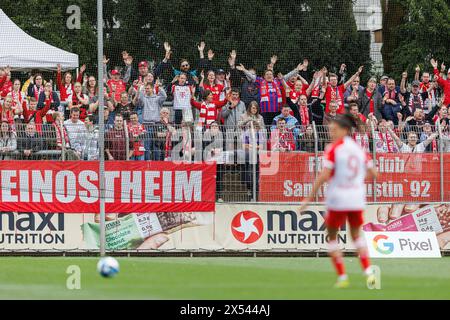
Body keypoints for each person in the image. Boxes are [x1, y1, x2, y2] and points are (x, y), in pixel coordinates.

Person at [299, 113, 378, 288]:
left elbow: (323, 176)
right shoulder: (359, 149)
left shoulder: (334, 149)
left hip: (338, 199)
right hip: (357, 199)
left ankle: (342, 277)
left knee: (331, 237)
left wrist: (308, 199)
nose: (331, 133)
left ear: (344, 130)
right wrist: (356, 178)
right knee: (357, 235)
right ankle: (368, 272)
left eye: (333, 129)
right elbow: (374, 174)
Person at [236, 62, 303, 124]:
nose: (269, 75)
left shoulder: (278, 81)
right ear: (264, 76)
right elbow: (252, 76)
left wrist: (296, 70)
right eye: (267, 74)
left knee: (277, 128)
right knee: (267, 128)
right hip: (265, 111)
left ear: (273, 76)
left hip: (277, 110)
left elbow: (287, 76)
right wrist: (244, 70)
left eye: (270, 74)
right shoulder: (261, 81)